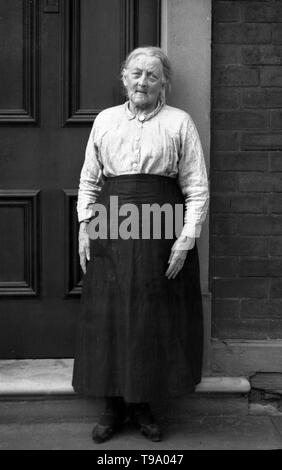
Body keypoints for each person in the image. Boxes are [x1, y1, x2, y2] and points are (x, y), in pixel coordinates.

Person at [72, 46, 209, 443]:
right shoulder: (105, 120)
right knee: (109, 311)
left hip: (162, 222)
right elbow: (89, 180)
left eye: (151, 75)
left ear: (164, 82)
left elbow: (196, 187)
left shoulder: (179, 122)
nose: (142, 82)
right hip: (109, 220)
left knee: (151, 311)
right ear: (124, 78)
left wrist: (186, 240)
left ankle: (143, 405)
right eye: (136, 74)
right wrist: (85, 227)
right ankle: (112, 406)